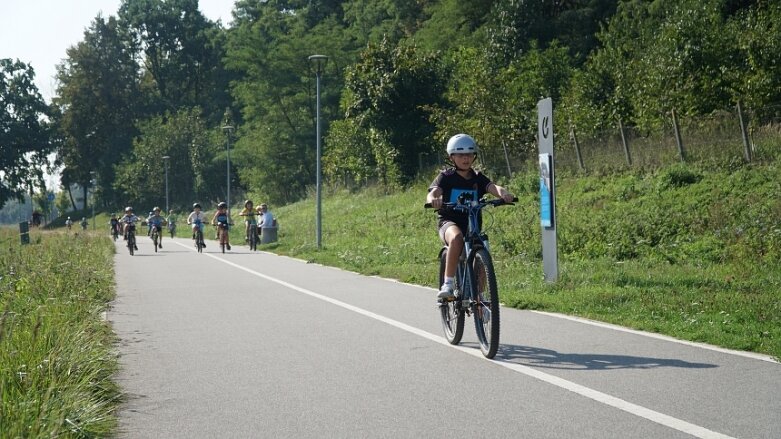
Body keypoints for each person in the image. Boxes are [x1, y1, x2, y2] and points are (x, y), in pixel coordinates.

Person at [426, 134, 514, 300]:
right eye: (460, 155)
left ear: (474, 156)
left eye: (469, 154)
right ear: (452, 157)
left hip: (472, 226)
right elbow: (434, 192)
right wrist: (433, 200)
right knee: (457, 238)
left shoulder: (477, 177)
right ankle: (448, 284)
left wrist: (504, 193)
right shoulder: (446, 177)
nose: (465, 158)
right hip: (449, 222)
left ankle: (481, 298)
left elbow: (492, 187)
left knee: (482, 255)